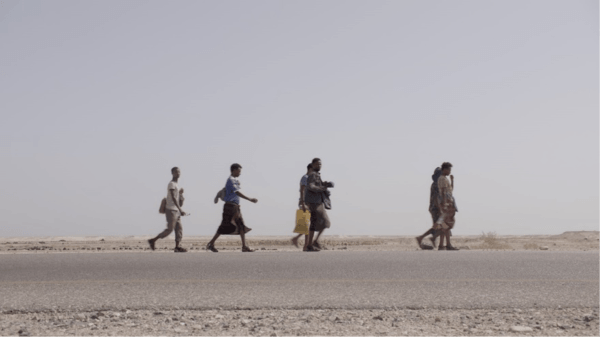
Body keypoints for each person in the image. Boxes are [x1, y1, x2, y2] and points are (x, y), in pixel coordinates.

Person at [206, 163, 258, 253]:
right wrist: (250, 199)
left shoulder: (234, 180)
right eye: (239, 171)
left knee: (241, 225)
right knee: (224, 226)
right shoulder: (231, 180)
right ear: (234, 170)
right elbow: (237, 192)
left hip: (235, 207)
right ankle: (210, 243)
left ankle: (244, 246)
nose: (240, 173)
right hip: (230, 207)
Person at [148, 167, 188, 252]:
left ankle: (177, 247)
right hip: (171, 210)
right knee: (170, 229)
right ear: (172, 173)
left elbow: (176, 197)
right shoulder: (172, 184)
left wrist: (180, 194)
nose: (178, 173)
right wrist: (180, 209)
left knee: (179, 229)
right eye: (176, 172)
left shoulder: (176, 184)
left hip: (176, 210)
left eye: (179, 172)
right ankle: (153, 240)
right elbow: (173, 198)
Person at [305, 158, 334, 252]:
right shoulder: (313, 175)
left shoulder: (316, 175)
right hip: (315, 203)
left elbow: (317, 184)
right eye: (317, 164)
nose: (319, 166)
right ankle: (315, 242)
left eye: (320, 164)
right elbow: (311, 186)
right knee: (326, 222)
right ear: (313, 165)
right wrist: (323, 188)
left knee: (313, 223)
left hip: (315, 202)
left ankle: (310, 245)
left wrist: (326, 184)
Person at [416, 167, 443, 249]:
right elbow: (435, 198)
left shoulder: (435, 184)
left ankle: (432, 241)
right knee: (440, 227)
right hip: (436, 208)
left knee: (437, 226)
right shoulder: (436, 185)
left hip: (434, 208)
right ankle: (422, 237)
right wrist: (439, 208)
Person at [434, 162, 459, 250]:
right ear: (445, 170)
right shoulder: (442, 179)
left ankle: (442, 245)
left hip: (448, 201)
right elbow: (444, 192)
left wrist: (452, 180)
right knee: (447, 224)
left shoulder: (445, 178)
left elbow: (450, 190)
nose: (450, 172)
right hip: (446, 202)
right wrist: (445, 205)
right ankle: (447, 245)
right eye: (449, 170)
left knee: (444, 225)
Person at [292, 163, 312, 251]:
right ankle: (304, 244)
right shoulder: (305, 178)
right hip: (305, 203)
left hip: (309, 202)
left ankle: (305, 245)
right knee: (307, 224)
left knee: (307, 224)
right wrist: (303, 203)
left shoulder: (310, 178)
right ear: (310, 169)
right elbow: (302, 190)